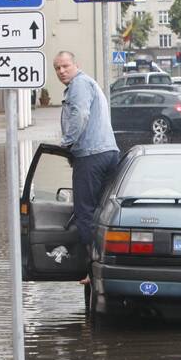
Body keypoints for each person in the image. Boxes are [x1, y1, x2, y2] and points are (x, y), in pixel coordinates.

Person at [53, 51, 119, 266]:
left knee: (85, 213)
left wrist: (67, 142)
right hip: (108, 152)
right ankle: (109, 262)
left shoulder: (79, 84)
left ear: (76, 64)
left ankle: (91, 268)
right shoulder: (89, 83)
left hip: (91, 155)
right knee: (104, 211)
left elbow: (80, 114)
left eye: (65, 66)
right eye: (57, 68)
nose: (61, 71)